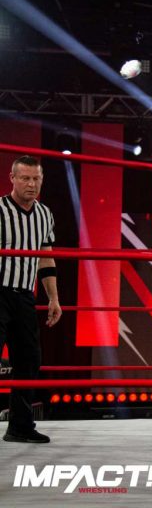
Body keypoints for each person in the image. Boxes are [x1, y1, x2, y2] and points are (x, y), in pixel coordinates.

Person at [1, 156, 61, 443]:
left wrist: (53, 298)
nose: (31, 184)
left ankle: (20, 426)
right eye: (25, 178)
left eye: (36, 178)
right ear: (12, 178)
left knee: (29, 359)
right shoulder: (0, 210)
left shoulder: (44, 214)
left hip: (25, 295)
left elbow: (45, 258)